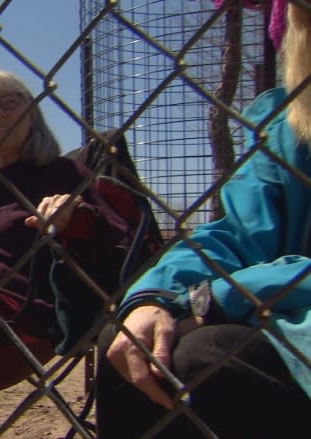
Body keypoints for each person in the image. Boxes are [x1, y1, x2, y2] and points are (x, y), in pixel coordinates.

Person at [96, 3, 311, 438]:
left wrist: (218, 298)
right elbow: (240, 233)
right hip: (281, 315)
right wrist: (157, 295)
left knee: (209, 357)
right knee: (131, 346)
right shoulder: (287, 122)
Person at [0, 68, 140, 394]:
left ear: (32, 115)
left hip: (14, 312)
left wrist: (75, 218)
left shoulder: (62, 172)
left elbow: (115, 238)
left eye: (9, 102)